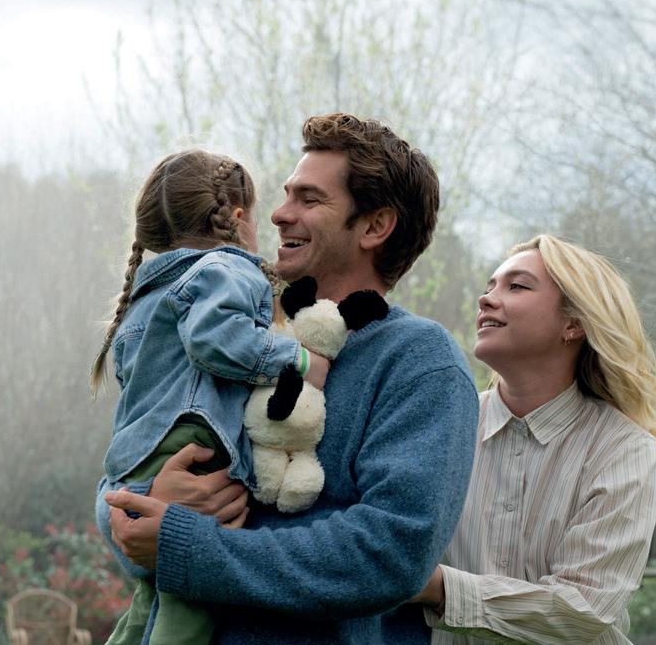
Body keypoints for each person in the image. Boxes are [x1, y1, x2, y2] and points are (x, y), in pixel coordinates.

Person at [102, 112, 480, 645]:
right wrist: (137, 510)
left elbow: (391, 553)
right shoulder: (237, 339)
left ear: (374, 227)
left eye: (309, 199)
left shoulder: (420, 361)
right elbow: (127, 467)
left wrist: (185, 544)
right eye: (285, 196)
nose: (280, 215)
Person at [93, 148, 330, 645]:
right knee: (189, 608)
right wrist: (299, 359)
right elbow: (214, 337)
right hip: (193, 446)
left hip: (140, 460)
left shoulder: (146, 295)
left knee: (151, 600)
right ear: (238, 218)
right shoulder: (226, 267)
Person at [412, 234, 656, 645]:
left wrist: (437, 587)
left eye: (516, 286)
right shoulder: (443, 421)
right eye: (490, 286)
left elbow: (583, 608)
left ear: (574, 324)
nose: (486, 299)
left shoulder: (626, 449)